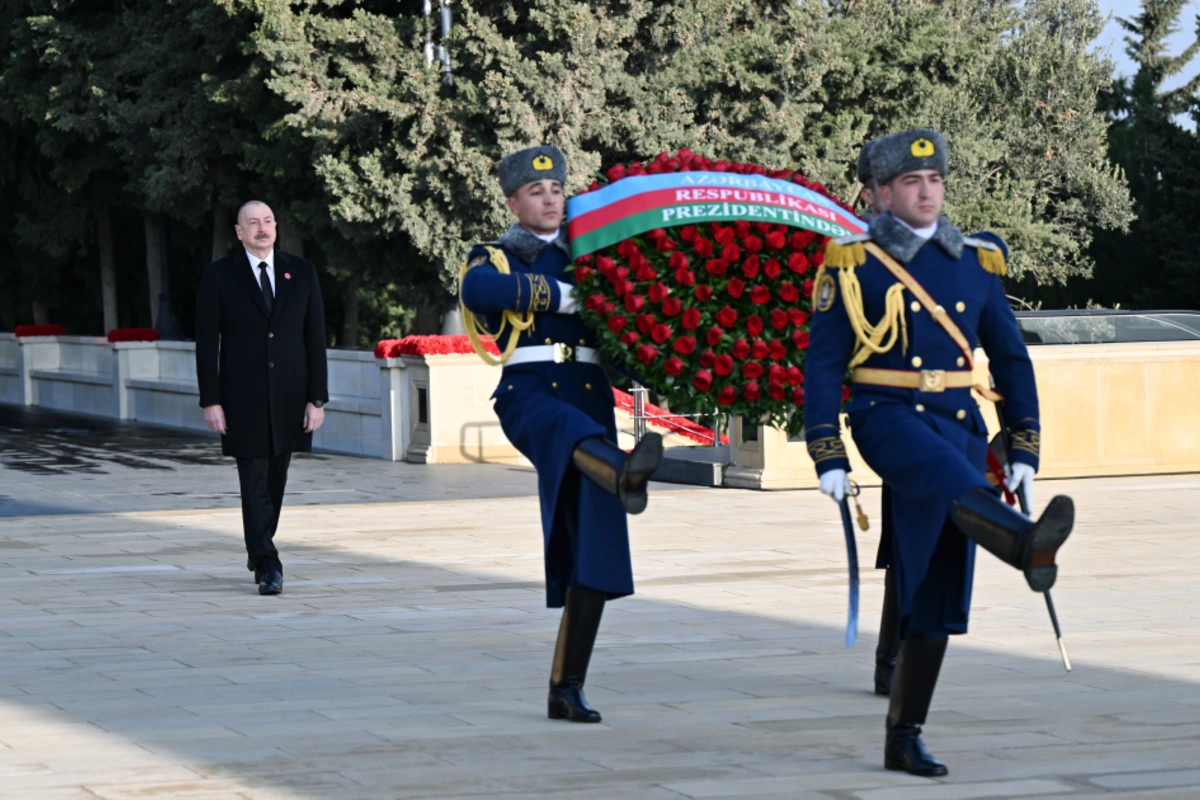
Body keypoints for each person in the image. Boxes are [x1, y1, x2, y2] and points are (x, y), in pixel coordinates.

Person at [805, 129, 1074, 776]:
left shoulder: (974, 262)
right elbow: (822, 365)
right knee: (952, 480)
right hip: (885, 415)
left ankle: (905, 735)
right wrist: (827, 453)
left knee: (936, 585)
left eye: (935, 181)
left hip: (958, 419)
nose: (927, 191)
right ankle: (1022, 544)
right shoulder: (853, 262)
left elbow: (1009, 358)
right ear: (882, 193)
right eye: (911, 182)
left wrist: (1024, 447)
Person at [459, 145, 663, 723]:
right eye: (535, 192)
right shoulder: (498, 257)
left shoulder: (593, 257)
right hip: (532, 396)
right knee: (567, 428)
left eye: (555, 191)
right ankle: (625, 471)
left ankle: (565, 687)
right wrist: (572, 298)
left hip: (593, 398)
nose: (550, 199)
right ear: (513, 202)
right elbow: (482, 294)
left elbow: (623, 338)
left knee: (594, 548)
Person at [195, 201, 329, 596]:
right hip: (242, 398)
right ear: (239, 232)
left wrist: (316, 398)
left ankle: (258, 547)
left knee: (275, 480)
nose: (262, 228)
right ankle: (269, 563)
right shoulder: (220, 276)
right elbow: (206, 343)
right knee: (252, 477)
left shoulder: (302, 272)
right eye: (252, 223)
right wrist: (211, 399)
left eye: (268, 221)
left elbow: (315, 338)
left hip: (291, 397)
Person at [855, 139, 903, 698]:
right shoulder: (853, 248)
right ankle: (891, 659)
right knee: (905, 540)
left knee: (921, 538)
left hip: (937, 411)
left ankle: (898, 655)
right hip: (883, 410)